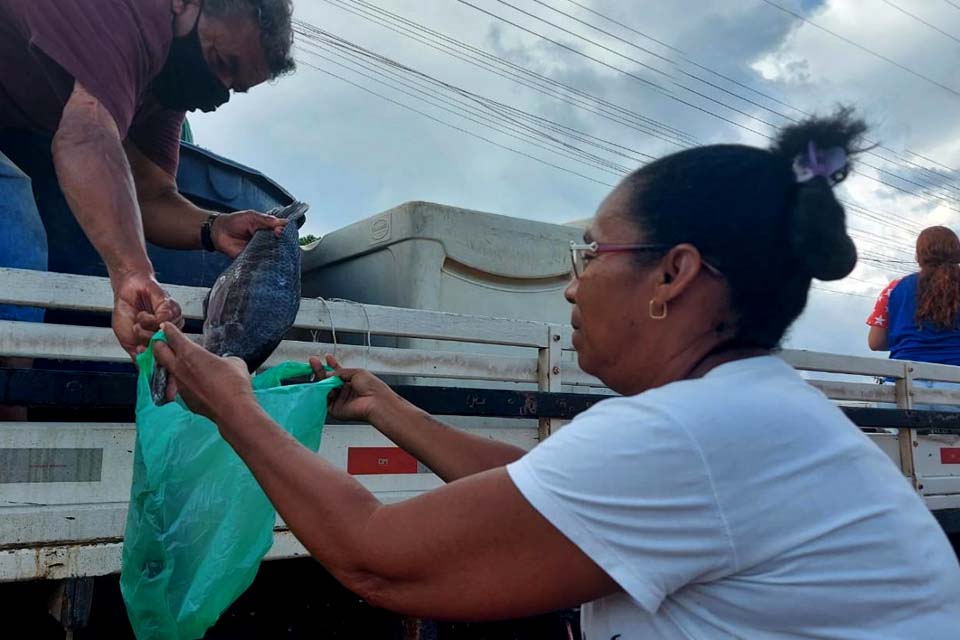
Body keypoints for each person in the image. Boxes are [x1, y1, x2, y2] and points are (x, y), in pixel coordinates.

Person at [152, 109, 960, 638]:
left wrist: (233, 405)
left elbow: (379, 558)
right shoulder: (747, 414)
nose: (573, 284)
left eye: (590, 255)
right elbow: (546, 487)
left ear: (673, 275)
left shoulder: (699, 433)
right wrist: (393, 410)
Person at [0, 0, 297, 418]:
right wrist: (131, 274)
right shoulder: (135, 14)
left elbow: (152, 195)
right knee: (17, 237)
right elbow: (86, 137)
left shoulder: (162, 90)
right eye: (222, 63)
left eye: (234, 89)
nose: (218, 92)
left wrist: (215, 226)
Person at [867, 227, 960, 407]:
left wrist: (909, 337)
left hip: (902, 393)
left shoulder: (894, 288)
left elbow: (875, 342)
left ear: (918, 256)